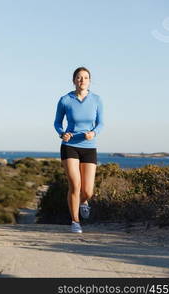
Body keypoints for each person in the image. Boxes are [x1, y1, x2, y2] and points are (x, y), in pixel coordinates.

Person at [54, 67, 104, 233]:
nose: (82, 80)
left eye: (85, 78)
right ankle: (75, 222)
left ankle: (84, 201)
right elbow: (57, 123)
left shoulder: (96, 100)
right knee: (75, 185)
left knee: (88, 191)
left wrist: (93, 133)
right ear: (74, 80)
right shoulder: (65, 100)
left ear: (89, 81)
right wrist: (62, 134)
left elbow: (101, 123)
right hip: (70, 146)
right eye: (79, 77)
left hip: (89, 147)